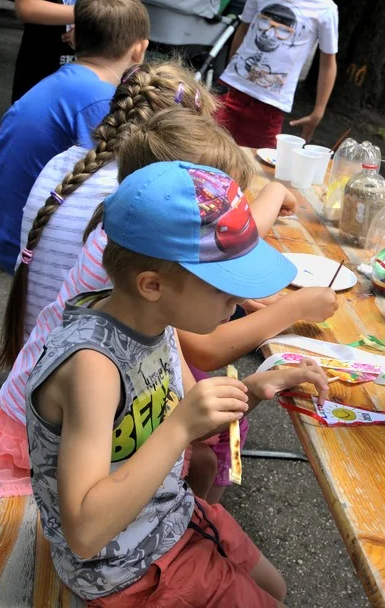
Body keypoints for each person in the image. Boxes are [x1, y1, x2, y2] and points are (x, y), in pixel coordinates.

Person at [0, 109, 338, 520]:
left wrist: (256, 380)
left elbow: (186, 383)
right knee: (204, 457)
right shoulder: (102, 343)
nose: (233, 296)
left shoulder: (138, 261)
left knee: (206, 455)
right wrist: (292, 308)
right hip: (37, 439)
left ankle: (189, 532)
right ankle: (186, 536)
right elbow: (83, 525)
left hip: (97, 411)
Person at [25, 161, 328, 605]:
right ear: (152, 284)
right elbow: (85, 531)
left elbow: (194, 419)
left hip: (169, 515)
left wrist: (258, 386)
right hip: (124, 569)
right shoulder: (93, 366)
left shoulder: (156, 323)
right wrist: (180, 428)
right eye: (225, 292)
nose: (238, 303)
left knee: (275, 590)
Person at [0, 62, 219, 365]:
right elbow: (202, 348)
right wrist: (294, 307)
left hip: (35, 358)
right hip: (72, 374)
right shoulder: (140, 200)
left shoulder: (67, 162)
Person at [0, 0, 149, 274]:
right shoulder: (97, 100)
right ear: (139, 50)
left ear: (72, 38)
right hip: (28, 244)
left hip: (5, 229)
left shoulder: (67, 82)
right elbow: (113, 180)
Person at [217, 0, 338, 145]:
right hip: (231, 91)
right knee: (210, 150)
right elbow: (243, 29)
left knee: (256, 166)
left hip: (270, 106)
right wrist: (232, 70)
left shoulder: (325, 9)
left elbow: (328, 63)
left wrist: (319, 110)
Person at [11, 0, 120, 102]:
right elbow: (26, 6)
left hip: (92, 77)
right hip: (43, 72)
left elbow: (121, 4)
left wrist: (89, 23)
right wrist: (88, 16)